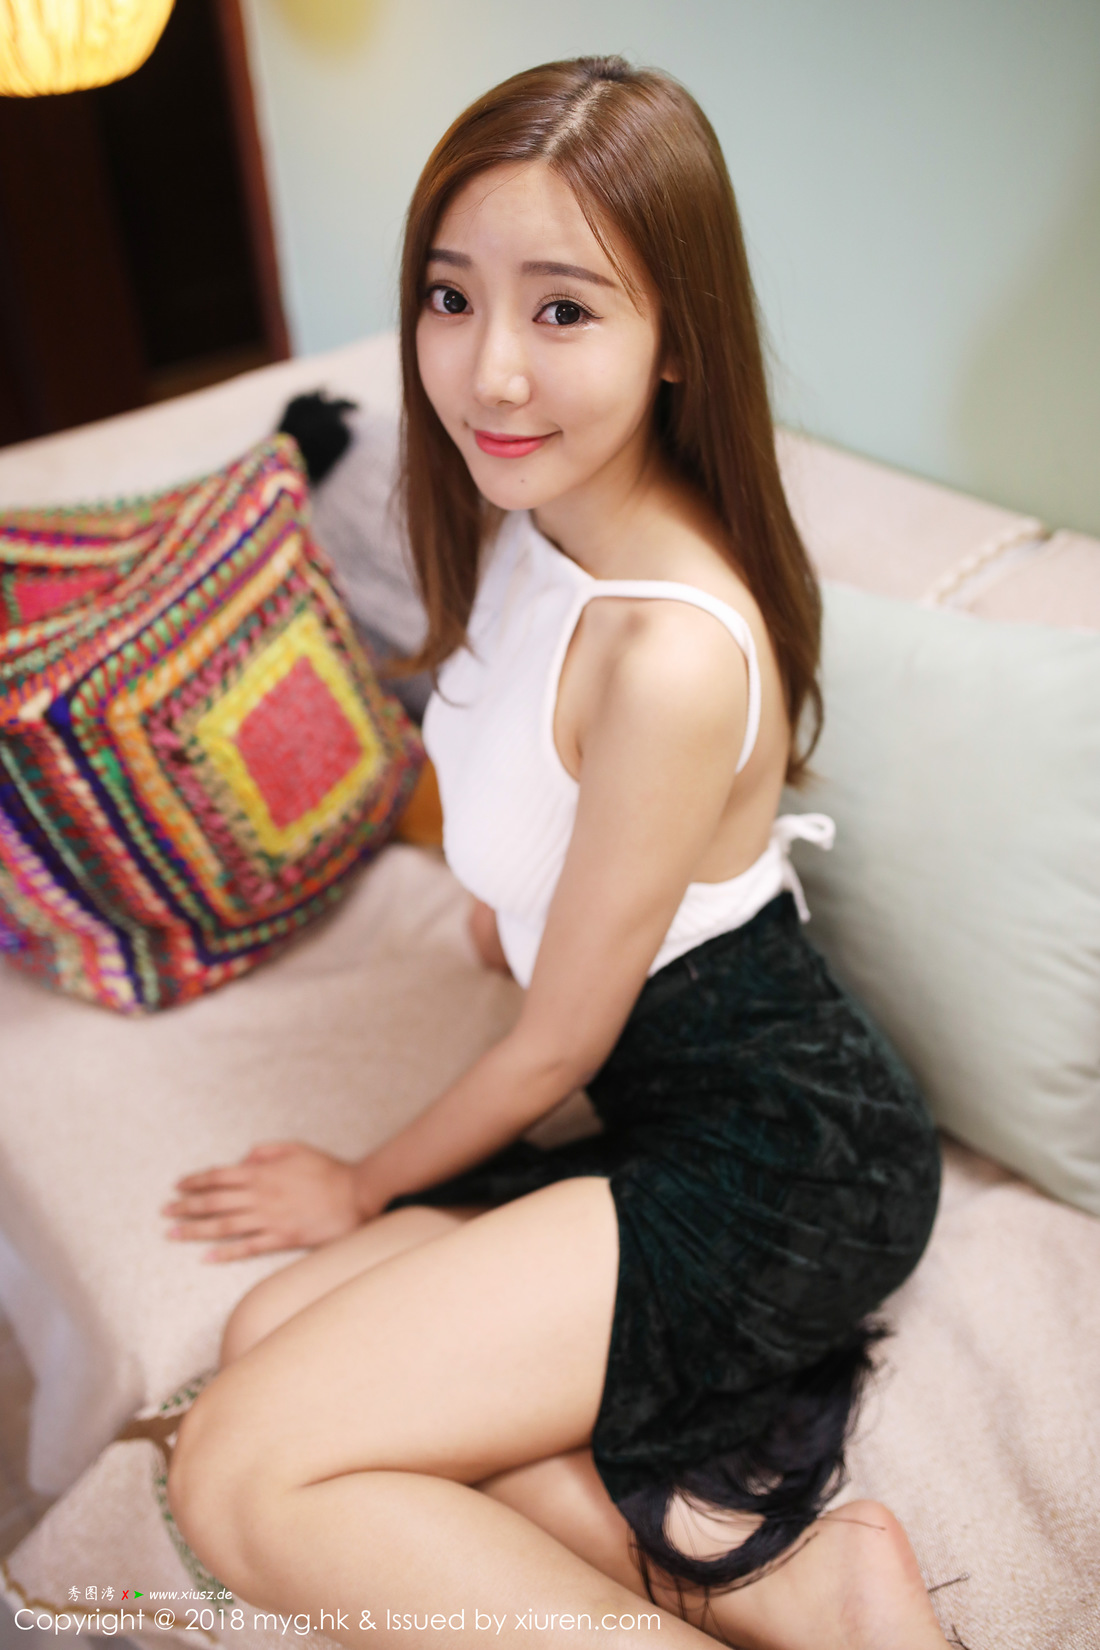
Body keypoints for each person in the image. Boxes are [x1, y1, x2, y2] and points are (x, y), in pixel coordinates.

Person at [165, 57, 946, 1650]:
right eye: (451, 297)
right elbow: (554, 832)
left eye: (565, 310)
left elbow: (557, 1049)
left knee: (240, 1474)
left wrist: (362, 1177)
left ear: (678, 339)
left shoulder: (670, 652)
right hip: (662, 1104)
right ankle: (795, 1581)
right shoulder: (535, 517)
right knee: (268, 1329)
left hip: (783, 1153)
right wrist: (511, 914)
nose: (492, 370)